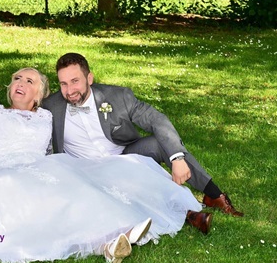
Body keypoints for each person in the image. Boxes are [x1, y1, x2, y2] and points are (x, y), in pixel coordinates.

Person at [0, 17, 205, 263]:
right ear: (10, 90)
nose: (21, 82)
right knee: (14, 186)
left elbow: (81, 108)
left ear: (40, 93)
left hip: (43, 172)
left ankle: (111, 241)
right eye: (17, 79)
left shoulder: (46, 116)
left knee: (78, 188)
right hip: (2, 176)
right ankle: (105, 239)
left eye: (30, 80)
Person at [42, 52, 244, 219]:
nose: (69, 90)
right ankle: (187, 214)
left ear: (90, 78)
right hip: (86, 172)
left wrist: (177, 157)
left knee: (160, 143)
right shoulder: (51, 107)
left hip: (124, 158)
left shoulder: (118, 97)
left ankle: (214, 196)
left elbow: (157, 120)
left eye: (75, 81)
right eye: (63, 84)